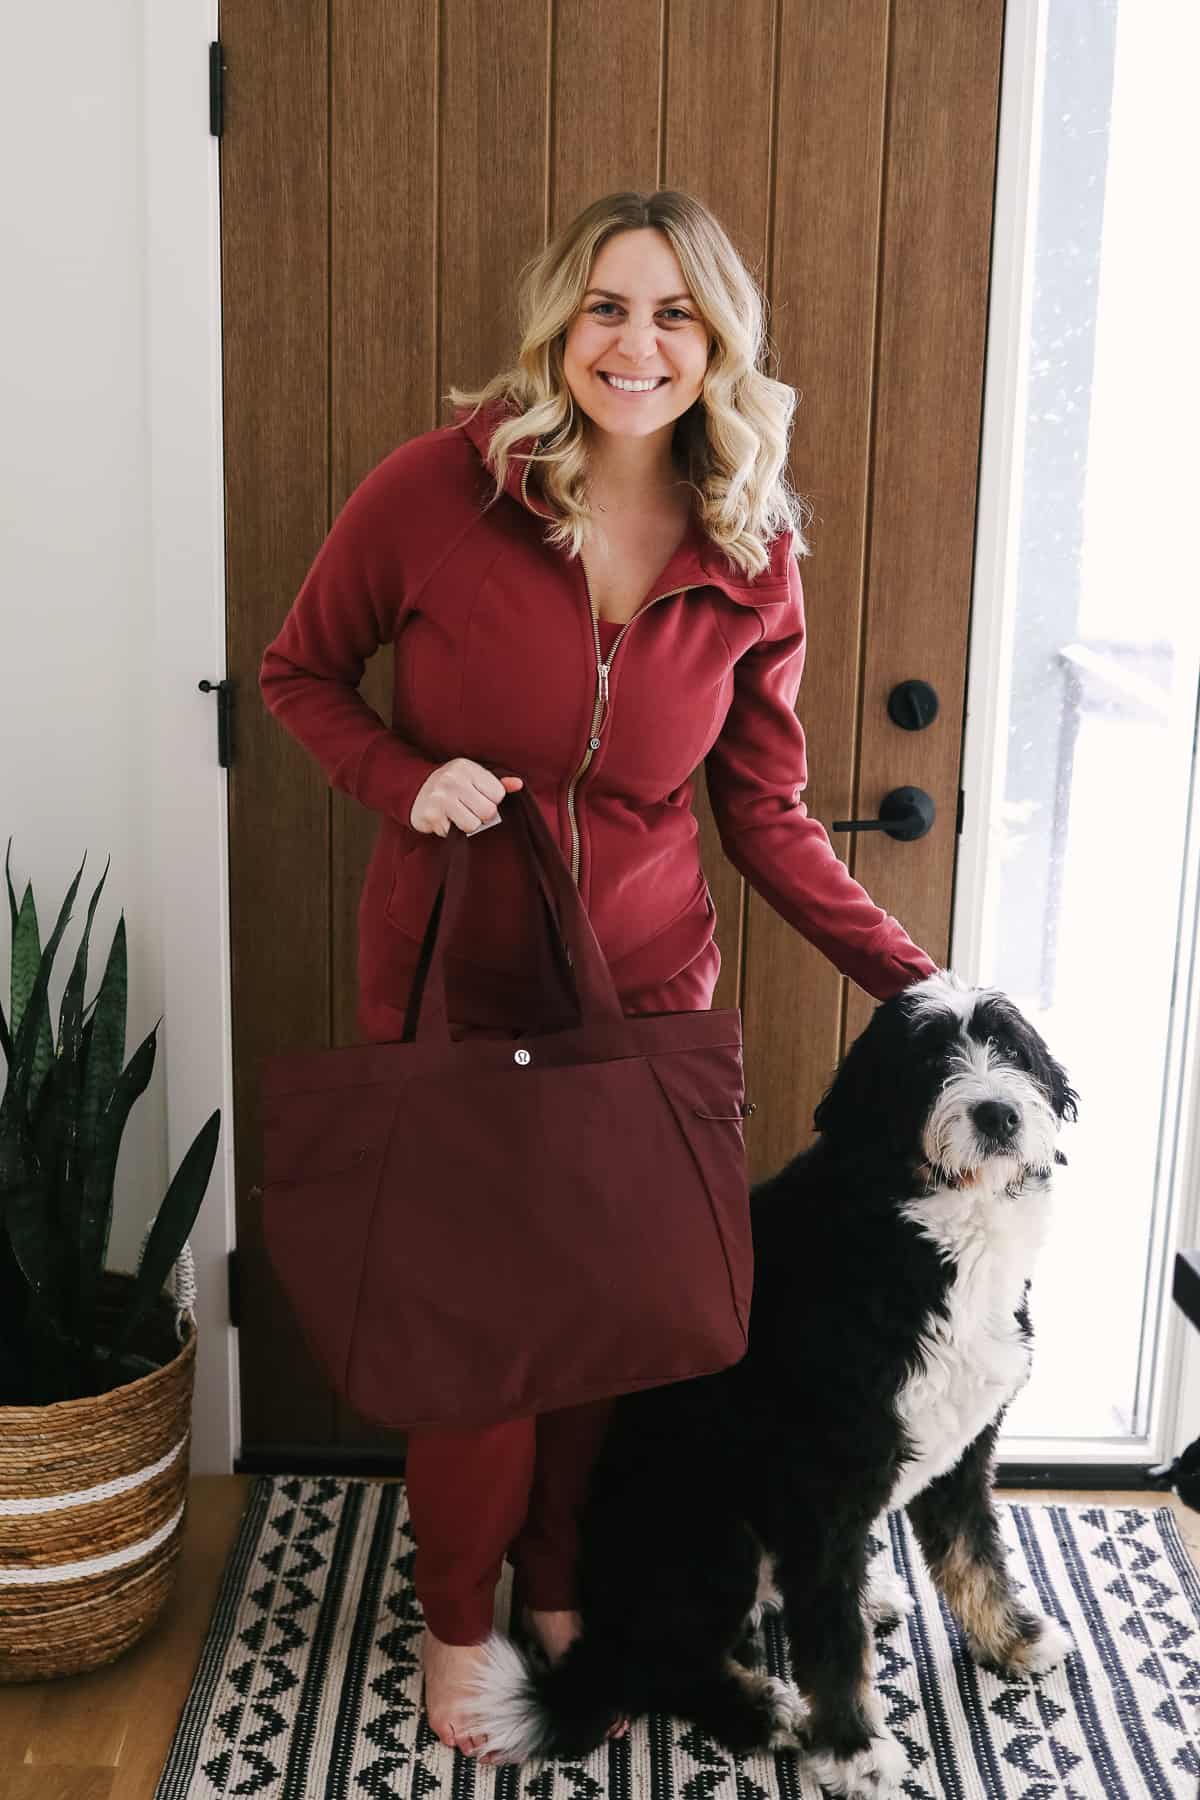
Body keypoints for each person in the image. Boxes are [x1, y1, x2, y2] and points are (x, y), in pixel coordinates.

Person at [259, 188, 938, 1756]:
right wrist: (397, 778)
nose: (639, 345)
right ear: (563, 325)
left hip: (647, 998)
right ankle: (455, 1616)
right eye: (610, 309)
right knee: (482, 1345)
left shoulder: (750, 551)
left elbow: (760, 809)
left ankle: (564, 1585)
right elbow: (301, 672)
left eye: (677, 316)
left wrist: (912, 977)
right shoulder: (441, 491)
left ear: (720, 347)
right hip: (454, 987)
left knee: (609, 1329)